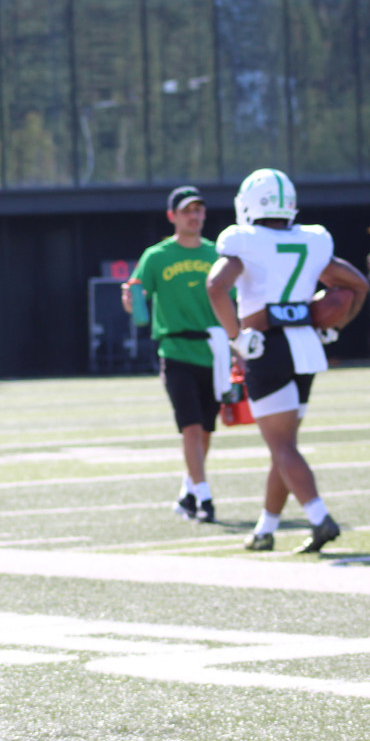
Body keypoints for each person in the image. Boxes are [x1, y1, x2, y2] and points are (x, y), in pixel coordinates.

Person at [206, 168, 368, 554]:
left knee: (281, 446)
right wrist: (336, 325)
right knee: (284, 444)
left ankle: (318, 517)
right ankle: (266, 528)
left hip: (267, 347)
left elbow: (216, 286)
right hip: (305, 347)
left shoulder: (245, 241)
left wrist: (236, 337)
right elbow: (356, 284)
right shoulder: (311, 239)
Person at [122, 185, 225, 524]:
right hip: (175, 348)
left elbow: (233, 298)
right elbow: (136, 295)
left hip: (214, 350)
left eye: (199, 210)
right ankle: (206, 498)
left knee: (206, 429)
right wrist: (130, 299)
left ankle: (188, 490)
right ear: (173, 216)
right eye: (187, 211)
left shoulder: (217, 254)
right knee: (191, 428)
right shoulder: (157, 256)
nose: (194, 216)